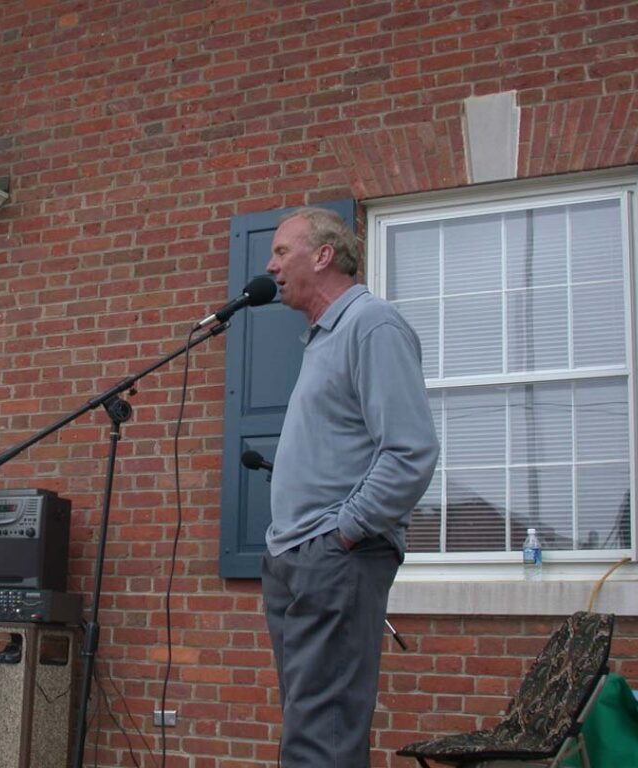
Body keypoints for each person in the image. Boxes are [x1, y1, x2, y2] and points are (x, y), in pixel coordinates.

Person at [262, 206, 439, 767]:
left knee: (322, 739)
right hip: (294, 556)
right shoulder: (321, 340)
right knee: (309, 728)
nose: (270, 266)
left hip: (333, 556)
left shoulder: (372, 324)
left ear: (323, 255)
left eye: (281, 251)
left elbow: (410, 452)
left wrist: (344, 533)